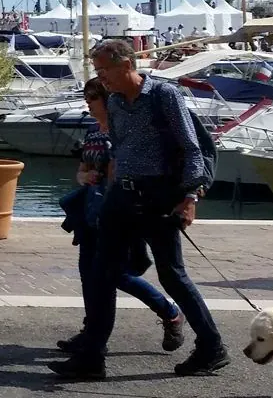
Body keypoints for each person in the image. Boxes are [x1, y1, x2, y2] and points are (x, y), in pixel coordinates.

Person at [51, 39, 227, 380]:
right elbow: (119, 149)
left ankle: (211, 346)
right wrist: (103, 184)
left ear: (126, 65)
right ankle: (92, 358)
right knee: (102, 272)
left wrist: (190, 198)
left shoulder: (164, 96)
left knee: (172, 276)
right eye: (97, 72)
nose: (101, 79)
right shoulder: (115, 102)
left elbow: (191, 149)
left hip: (159, 196)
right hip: (122, 196)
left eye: (104, 70)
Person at [58, 78, 185, 355]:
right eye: (86, 97)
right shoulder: (93, 132)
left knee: (116, 274)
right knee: (88, 275)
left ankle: (169, 311)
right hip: (91, 211)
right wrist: (86, 176)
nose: (87, 103)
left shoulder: (121, 134)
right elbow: (81, 171)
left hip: (118, 210)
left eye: (92, 98)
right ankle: (91, 333)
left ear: (107, 100)